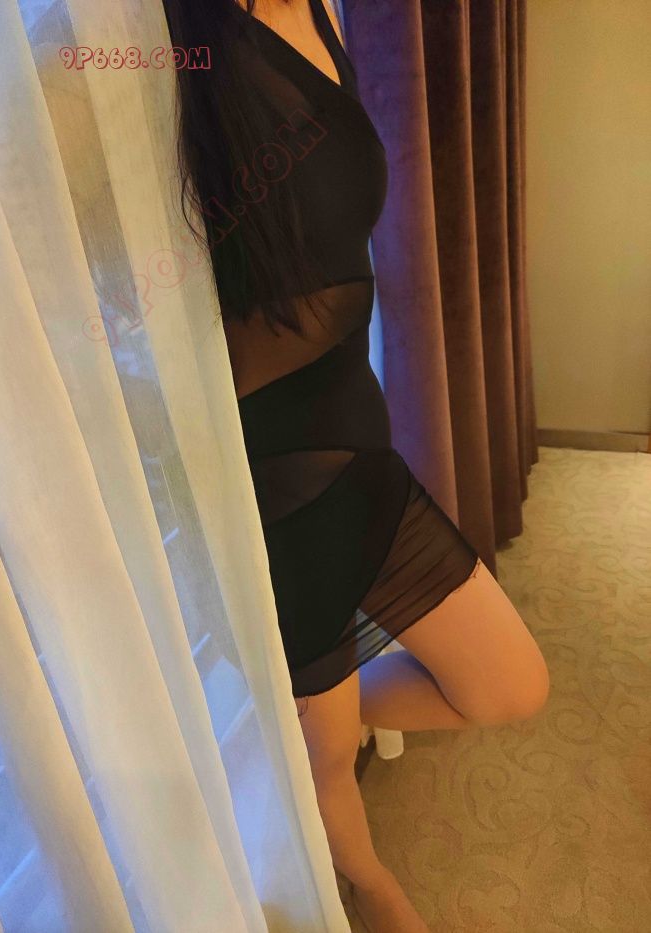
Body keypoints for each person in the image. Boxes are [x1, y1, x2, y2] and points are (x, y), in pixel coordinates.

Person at [163, 2, 550, 930]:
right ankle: (373, 884)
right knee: (332, 760)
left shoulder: (318, 9)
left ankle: (301, 721)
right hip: (280, 489)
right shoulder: (172, 35)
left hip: (364, 457)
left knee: (509, 684)